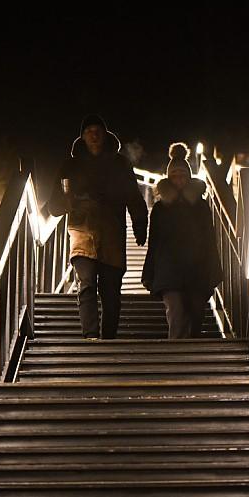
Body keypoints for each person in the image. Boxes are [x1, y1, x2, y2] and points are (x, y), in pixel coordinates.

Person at [46, 115, 148, 339]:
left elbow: (133, 196)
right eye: (89, 130)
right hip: (82, 231)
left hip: (112, 232)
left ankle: (109, 337)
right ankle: (91, 335)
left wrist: (140, 224)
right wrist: (69, 202)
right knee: (87, 284)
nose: (94, 134)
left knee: (111, 290)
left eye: (98, 130)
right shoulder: (70, 166)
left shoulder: (119, 164)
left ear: (105, 134)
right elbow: (53, 205)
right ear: (82, 136)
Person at [141, 143, 222, 339]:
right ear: (168, 178)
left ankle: (191, 357)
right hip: (168, 269)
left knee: (195, 316)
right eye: (174, 176)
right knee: (176, 313)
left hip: (197, 268)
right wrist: (149, 271)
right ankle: (175, 356)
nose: (179, 180)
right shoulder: (160, 209)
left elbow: (210, 239)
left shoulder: (200, 206)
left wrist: (214, 269)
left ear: (189, 177)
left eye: (183, 175)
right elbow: (154, 242)